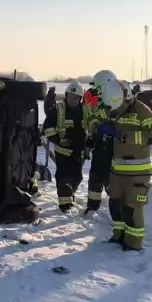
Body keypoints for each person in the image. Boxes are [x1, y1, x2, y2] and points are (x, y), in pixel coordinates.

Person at [99, 79, 152, 251]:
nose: (114, 111)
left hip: (138, 172)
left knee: (132, 210)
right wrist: (100, 127)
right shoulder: (114, 108)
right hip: (117, 170)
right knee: (115, 206)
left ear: (127, 97)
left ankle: (133, 244)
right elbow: (101, 119)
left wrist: (129, 137)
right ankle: (118, 236)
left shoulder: (142, 111)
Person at [42, 81, 86, 212]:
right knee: (63, 176)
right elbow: (48, 127)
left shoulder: (85, 110)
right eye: (71, 96)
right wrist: (58, 140)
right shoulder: (58, 109)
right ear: (66, 95)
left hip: (79, 151)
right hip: (63, 151)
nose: (74, 99)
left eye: (77, 97)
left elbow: (89, 127)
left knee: (77, 176)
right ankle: (65, 205)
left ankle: (68, 194)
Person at [82, 74, 113, 215]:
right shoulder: (97, 102)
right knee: (95, 176)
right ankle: (92, 206)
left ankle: (116, 208)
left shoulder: (116, 101)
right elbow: (90, 119)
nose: (94, 89)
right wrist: (94, 131)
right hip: (100, 144)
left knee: (111, 179)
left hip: (114, 147)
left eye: (96, 86)